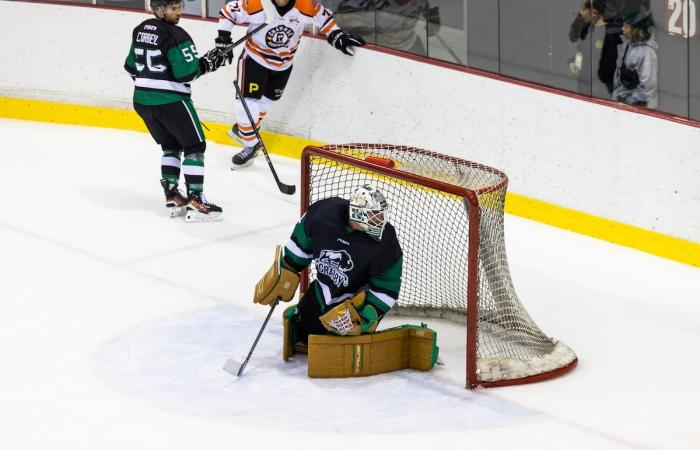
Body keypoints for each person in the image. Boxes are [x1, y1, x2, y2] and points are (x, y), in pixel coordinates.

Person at [216, 0, 366, 168]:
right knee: (245, 105)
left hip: (284, 64)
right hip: (255, 60)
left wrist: (337, 35)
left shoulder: (305, 5)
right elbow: (228, 12)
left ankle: (242, 129)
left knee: (268, 102)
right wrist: (223, 38)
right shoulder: (257, 3)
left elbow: (323, 17)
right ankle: (251, 146)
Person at [253, 185, 403, 346]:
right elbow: (300, 244)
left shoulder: (385, 242)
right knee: (303, 331)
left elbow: (388, 284)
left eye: (381, 215)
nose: (380, 221)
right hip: (322, 291)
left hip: (353, 303)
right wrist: (287, 270)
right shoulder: (323, 215)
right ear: (358, 213)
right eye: (375, 216)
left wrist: (370, 313)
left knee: (336, 345)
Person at [124, 0, 229, 221]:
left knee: (170, 145)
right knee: (195, 146)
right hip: (171, 101)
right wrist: (210, 62)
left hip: (142, 101)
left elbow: (130, 66)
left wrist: (152, 81)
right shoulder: (176, 34)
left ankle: (172, 194)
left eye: (179, 7)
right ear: (160, 10)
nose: (179, 12)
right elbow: (187, 73)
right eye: (174, 9)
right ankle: (196, 200)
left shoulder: (141, 29)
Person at [612, 8, 658, 108]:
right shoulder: (627, 45)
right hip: (621, 102)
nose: (622, 29)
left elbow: (648, 88)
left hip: (635, 107)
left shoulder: (647, 53)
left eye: (626, 27)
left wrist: (628, 101)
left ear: (636, 30)